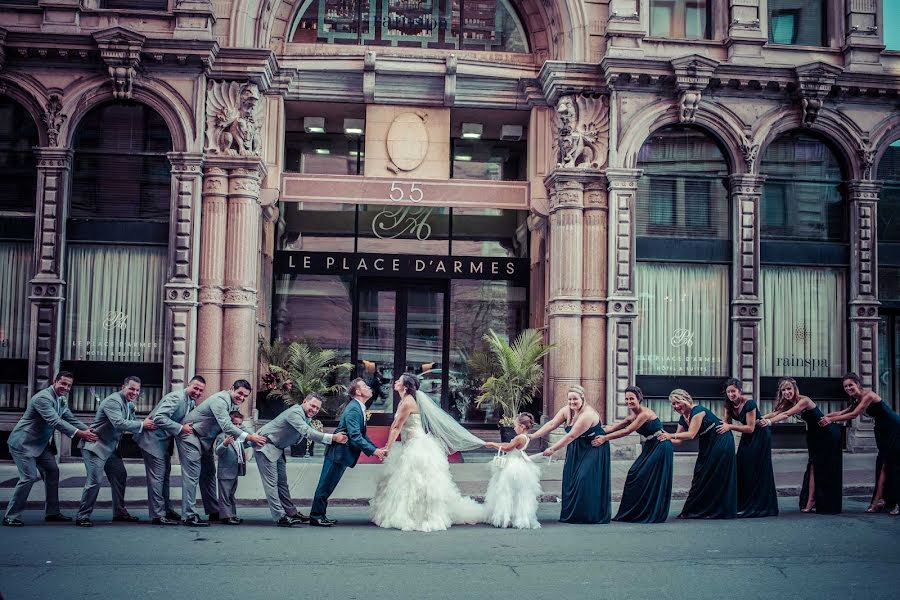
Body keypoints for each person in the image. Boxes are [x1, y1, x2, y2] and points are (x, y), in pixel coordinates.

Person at [370, 374, 484, 532]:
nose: (395, 382)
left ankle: (419, 516)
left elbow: (396, 427)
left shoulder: (407, 402)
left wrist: (387, 448)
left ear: (406, 386)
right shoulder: (406, 400)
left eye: (399, 380)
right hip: (408, 444)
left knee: (416, 483)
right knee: (404, 483)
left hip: (416, 446)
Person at [3, 372, 98, 527]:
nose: (66, 388)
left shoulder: (61, 399)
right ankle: (11, 516)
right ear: (55, 381)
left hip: (41, 445)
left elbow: (70, 419)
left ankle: (52, 513)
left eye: (69, 385)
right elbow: (55, 421)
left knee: (53, 471)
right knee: (29, 477)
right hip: (23, 443)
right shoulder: (43, 398)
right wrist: (81, 434)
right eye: (63, 384)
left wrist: (89, 430)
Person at [177, 379, 267, 527]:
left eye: (245, 396)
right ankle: (188, 516)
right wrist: (250, 437)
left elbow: (238, 425)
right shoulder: (221, 400)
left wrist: (254, 435)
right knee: (192, 476)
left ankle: (214, 511)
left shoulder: (232, 403)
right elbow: (226, 426)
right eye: (240, 393)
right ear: (232, 388)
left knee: (209, 473)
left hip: (204, 440)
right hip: (190, 436)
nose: (242, 398)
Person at [256, 393, 349, 527]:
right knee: (271, 485)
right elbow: (308, 432)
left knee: (282, 484)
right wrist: (333, 438)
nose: (314, 410)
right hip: (265, 446)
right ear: (304, 401)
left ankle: (291, 512)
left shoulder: (305, 415)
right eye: (312, 405)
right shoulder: (295, 412)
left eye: (317, 408)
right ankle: (280, 517)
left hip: (277, 447)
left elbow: (309, 432)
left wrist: (330, 442)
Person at [76, 376, 157, 527]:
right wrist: (142, 424)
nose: (134, 392)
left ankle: (119, 513)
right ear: (123, 387)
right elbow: (119, 423)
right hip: (95, 446)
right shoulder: (113, 401)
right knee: (94, 481)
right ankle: (82, 516)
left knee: (120, 475)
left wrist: (146, 426)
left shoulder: (129, 404)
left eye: (137, 390)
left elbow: (131, 425)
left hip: (110, 448)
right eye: (131, 388)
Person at [759, 377, 842, 514]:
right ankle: (813, 499)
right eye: (783, 390)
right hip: (814, 436)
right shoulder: (790, 402)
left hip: (827, 435)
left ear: (795, 389)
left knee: (819, 468)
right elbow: (777, 412)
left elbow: (786, 414)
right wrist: (761, 418)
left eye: (789, 389)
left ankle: (811, 501)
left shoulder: (804, 400)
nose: (786, 392)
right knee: (813, 467)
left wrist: (769, 423)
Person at [820, 372, 899, 515]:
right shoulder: (856, 400)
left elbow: (854, 415)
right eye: (845, 386)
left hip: (894, 429)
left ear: (858, 384)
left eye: (851, 385)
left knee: (893, 464)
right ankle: (879, 501)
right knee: (882, 464)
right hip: (882, 431)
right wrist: (823, 416)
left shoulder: (868, 396)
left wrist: (830, 421)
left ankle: (890, 502)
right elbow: (841, 412)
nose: (848, 388)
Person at [530, 385, 611, 524]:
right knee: (571, 479)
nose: (572, 402)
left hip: (593, 447)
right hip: (577, 447)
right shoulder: (566, 410)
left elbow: (571, 436)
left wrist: (553, 449)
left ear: (582, 398)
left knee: (584, 478)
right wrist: (533, 436)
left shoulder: (587, 414)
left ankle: (590, 514)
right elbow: (551, 425)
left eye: (575, 399)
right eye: (569, 399)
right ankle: (575, 514)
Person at [312, 378, 386, 527]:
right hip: (337, 453)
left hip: (341, 453)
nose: (369, 387)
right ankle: (316, 516)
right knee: (325, 485)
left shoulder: (358, 407)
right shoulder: (354, 408)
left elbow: (362, 435)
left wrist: (376, 449)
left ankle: (320, 514)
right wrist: (375, 451)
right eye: (365, 386)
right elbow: (355, 436)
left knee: (329, 485)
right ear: (358, 392)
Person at [594, 385, 672, 524]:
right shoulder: (632, 416)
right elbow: (611, 428)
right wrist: (592, 430)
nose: (629, 401)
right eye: (627, 399)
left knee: (643, 475)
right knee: (634, 473)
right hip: (649, 446)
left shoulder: (645, 414)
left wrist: (605, 439)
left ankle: (648, 511)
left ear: (639, 398)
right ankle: (634, 512)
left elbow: (627, 431)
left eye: (632, 398)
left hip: (661, 446)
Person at [134, 375, 206, 525]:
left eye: (201, 390)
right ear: (188, 385)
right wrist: (181, 428)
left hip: (163, 443)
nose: (198, 392)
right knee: (157, 479)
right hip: (152, 441)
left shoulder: (190, 402)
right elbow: (159, 417)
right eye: (196, 388)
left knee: (164, 477)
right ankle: (157, 515)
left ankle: (166, 510)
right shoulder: (176, 398)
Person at [657, 389, 736, 519]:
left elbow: (691, 434)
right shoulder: (683, 417)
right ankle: (696, 510)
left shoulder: (698, 411)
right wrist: (660, 438)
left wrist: (669, 435)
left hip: (721, 440)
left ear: (685, 399)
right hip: (707, 443)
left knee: (714, 474)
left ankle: (715, 510)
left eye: (678, 402)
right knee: (700, 474)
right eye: (673, 404)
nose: (676, 406)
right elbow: (678, 441)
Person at [718, 378, 778, 518]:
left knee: (756, 468)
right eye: (728, 392)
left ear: (740, 391)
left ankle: (760, 506)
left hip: (760, 435)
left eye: (733, 391)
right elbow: (725, 422)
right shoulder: (728, 404)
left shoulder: (749, 403)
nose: (731, 394)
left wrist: (730, 427)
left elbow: (750, 428)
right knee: (742, 465)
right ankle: (743, 503)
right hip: (747, 436)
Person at [482, 412, 542, 529]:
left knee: (506, 491)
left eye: (515, 426)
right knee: (519, 493)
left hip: (513, 466)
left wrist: (493, 444)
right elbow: (509, 445)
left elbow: (508, 448)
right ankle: (517, 516)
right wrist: (496, 444)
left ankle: (505, 517)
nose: (514, 428)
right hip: (520, 464)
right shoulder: (526, 437)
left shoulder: (520, 437)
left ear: (522, 426)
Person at [214, 412, 253, 525]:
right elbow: (217, 451)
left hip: (235, 470)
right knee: (225, 495)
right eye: (234, 424)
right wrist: (225, 444)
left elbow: (246, 445)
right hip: (225, 471)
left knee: (231, 494)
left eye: (239, 424)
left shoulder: (239, 437)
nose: (237, 427)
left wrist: (253, 438)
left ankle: (232, 515)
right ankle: (226, 516)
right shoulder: (222, 436)